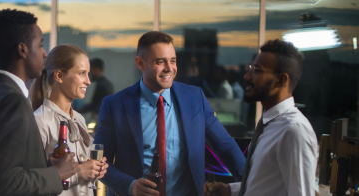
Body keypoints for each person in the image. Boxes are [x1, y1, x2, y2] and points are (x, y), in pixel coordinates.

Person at [93, 31, 245, 196]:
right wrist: (131, 186)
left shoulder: (195, 98)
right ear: (140, 63)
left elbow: (225, 146)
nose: (169, 68)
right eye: (160, 61)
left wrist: (252, 183)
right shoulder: (115, 105)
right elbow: (101, 161)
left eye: (173, 61)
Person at [0, 9, 79, 196]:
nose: (45, 54)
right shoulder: (13, 102)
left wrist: (47, 167)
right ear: (22, 50)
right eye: (40, 44)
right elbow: (7, 183)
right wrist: (56, 173)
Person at [203, 40, 317, 196]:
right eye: (251, 68)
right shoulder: (270, 123)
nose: (247, 76)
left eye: (257, 71)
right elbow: (265, 183)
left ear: (281, 80)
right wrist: (230, 189)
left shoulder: (294, 130)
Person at [30, 44, 109, 196]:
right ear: (59, 76)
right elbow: (32, 182)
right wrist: (79, 173)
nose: (88, 81)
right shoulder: (39, 121)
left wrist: (95, 168)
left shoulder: (78, 119)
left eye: (88, 74)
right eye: (81, 73)